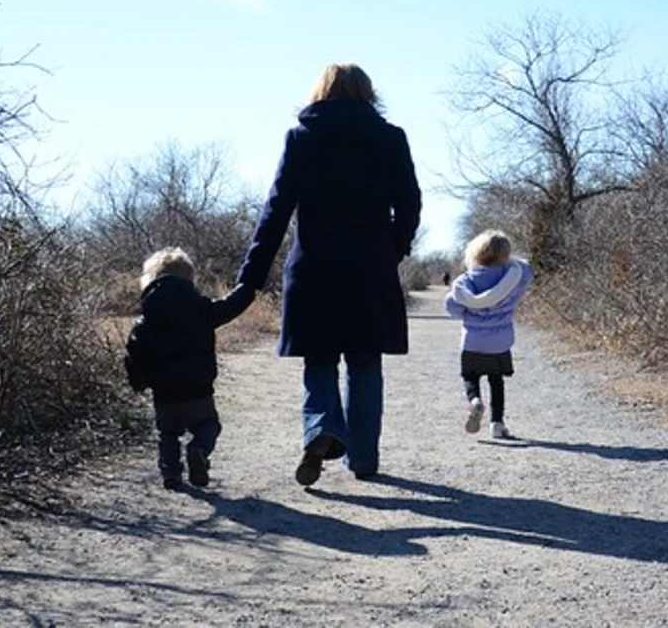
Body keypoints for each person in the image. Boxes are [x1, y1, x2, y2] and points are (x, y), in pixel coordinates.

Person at [236, 63, 422, 485]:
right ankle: (363, 459)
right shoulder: (391, 139)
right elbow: (409, 204)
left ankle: (320, 430)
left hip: (313, 269)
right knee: (364, 363)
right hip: (369, 270)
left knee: (320, 360)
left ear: (320, 91)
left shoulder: (302, 138)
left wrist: (250, 277)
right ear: (368, 93)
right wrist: (391, 250)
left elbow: (275, 212)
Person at [124, 247, 255, 489]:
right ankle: (199, 449)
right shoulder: (202, 309)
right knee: (209, 426)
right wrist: (249, 284)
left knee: (168, 434)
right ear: (189, 279)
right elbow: (231, 305)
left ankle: (171, 474)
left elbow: (133, 353)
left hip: (164, 394)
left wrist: (138, 382)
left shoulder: (145, 321)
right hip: (198, 390)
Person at [443, 229, 532, 440]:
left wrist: (466, 311)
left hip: (473, 342)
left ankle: (474, 401)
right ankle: (497, 424)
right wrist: (511, 260)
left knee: (470, 376)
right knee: (496, 381)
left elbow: (451, 306)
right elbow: (527, 269)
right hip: (500, 343)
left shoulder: (467, 281)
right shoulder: (513, 277)